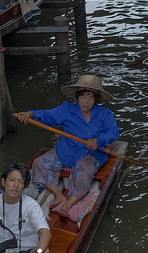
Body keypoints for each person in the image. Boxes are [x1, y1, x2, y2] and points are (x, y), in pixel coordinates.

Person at [16, 74, 119, 219]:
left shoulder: (105, 113)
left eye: (90, 98)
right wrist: (31, 114)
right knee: (40, 163)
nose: (86, 102)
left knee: (83, 172)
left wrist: (99, 139)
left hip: (92, 152)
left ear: (96, 100)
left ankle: (68, 204)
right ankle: (59, 196)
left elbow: (114, 132)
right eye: (83, 97)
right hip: (67, 149)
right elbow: (48, 116)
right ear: (77, 97)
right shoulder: (66, 109)